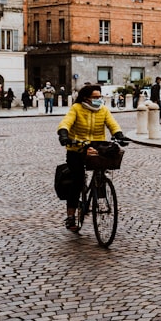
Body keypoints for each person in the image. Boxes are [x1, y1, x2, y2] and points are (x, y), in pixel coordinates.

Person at [56, 83, 126, 230]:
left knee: (102, 168)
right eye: (95, 97)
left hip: (96, 147)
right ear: (86, 98)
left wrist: (118, 135)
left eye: (99, 97)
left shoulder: (104, 110)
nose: (98, 99)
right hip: (77, 148)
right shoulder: (77, 108)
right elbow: (66, 122)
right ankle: (71, 216)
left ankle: (99, 190)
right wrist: (63, 134)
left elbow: (112, 124)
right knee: (77, 180)